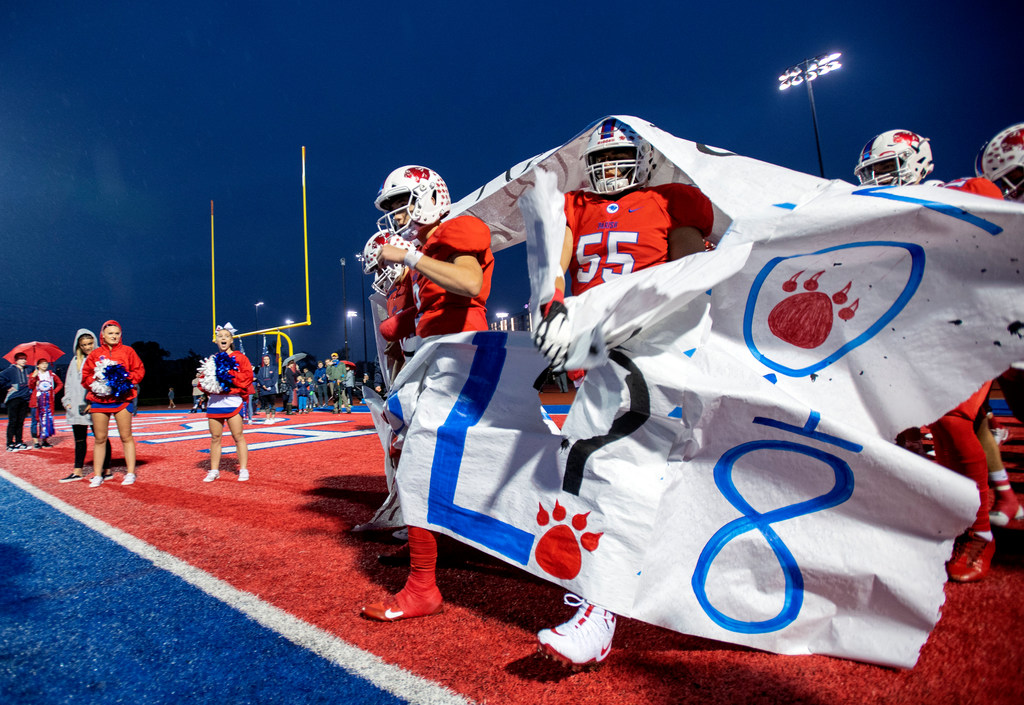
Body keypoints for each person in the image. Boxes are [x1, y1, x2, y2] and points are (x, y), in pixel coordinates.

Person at [531, 119, 714, 667]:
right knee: (563, 445)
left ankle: (601, 606)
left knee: (609, 463)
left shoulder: (671, 198)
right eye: (601, 158)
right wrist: (554, 305)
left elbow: (689, 270)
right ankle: (599, 584)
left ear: (642, 160)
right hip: (587, 344)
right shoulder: (577, 205)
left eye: (620, 157)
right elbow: (558, 267)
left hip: (651, 342)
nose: (609, 168)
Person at [855, 130, 1010, 581]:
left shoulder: (964, 191)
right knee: (897, 428)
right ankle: (930, 519)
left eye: (886, 169)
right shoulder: (876, 215)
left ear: (917, 160)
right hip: (908, 332)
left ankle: (978, 533)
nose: (879, 180)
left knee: (951, 419)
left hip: (968, 323)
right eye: (872, 174)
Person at [360, 164, 493, 622]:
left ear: (430, 196)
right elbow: (430, 307)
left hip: (461, 357)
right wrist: (396, 324)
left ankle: (423, 586)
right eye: (391, 206)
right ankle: (431, 554)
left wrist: (410, 259)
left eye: (402, 201)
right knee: (418, 459)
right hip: (435, 357)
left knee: (418, 462)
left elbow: (471, 284)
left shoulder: (458, 228)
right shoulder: (426, 245)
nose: (397, 213)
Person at [82, 320, 145, 487]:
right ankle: (97, 475)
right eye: (110, 333)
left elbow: (139, 370)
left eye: (117, 333)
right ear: (103, 335)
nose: (114, 336)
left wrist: (125, 378)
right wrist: (96, 381)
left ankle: (130, 473)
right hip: (99, 400)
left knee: (126, 436)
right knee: (100, 438)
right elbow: (86, 375)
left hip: (122, 399)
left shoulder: (128, 351)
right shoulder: (95, 354)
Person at [199, 325, 254, 482]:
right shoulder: (212, 360)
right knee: (215, 437)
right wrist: (204, 382)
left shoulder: (240, 357)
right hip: (215, 402)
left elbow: (247, 377)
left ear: (231, 339)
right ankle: (214, 470)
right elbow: (203, 383)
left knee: (238, 436)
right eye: (220, 336)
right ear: (216, 340)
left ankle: (243, 469)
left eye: (226, 336)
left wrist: (228, 375)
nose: (223, 338)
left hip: (232, 400)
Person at [60, 329, 111, 482]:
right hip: (76, 406)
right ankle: (78, 471)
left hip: (95, 405)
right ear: (79, 346)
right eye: (84, 345)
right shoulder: (75, 361)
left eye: (90, 344)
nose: (87, 347)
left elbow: (104, 385)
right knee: (79, 440)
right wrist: (67, 401)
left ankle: (106, 469)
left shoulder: (101, 360)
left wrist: (93, 402)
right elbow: (68, 384)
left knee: (101, 438)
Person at [28, 358, 63, 448]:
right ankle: (36, 442)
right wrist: (33, 378)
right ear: (38, 365)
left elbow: (60, 384)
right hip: (36, 401)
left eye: (46, 363)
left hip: (48, 401)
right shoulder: (34, 374)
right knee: (35, 421)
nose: (45, 365)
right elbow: (30, 386)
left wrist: (53, 392)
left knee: (46, 420)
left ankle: (44, 440)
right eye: (42, 363)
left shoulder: (51, 374)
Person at [2, 353, 32, 451]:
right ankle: (10, 443)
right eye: (21, 359)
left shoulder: (28, 370)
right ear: (16, 360)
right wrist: (8, 387)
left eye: (25, 359)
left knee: (21, 422)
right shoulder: (10, 370)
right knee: (13, 421)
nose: (23, 361)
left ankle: (19, 441)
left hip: (24, 398)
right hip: (14, 398)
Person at [256, 354, 279, 424]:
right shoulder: (261, 369)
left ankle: (273, 418)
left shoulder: (274, 368)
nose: (266, 361)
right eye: (264, 359)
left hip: (271, 389)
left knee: (272, 404)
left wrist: (269, 385)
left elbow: (275, 378)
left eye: (267, 359)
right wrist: (263, 385)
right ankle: (267, 418)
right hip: (264, 389)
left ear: (270, 360)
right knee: (266, 404)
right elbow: (259, 378)